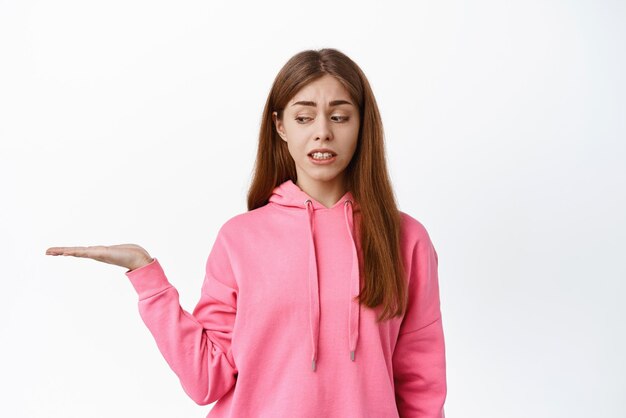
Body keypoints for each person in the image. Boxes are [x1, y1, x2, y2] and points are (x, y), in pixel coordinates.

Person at [46, 48, 447, 417]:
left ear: (362, 124)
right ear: (281, 126)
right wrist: (146, 275)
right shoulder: (240, 239)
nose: (322, 131)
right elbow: (207, 380)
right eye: (304, 117)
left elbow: (421, 387)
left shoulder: (405, 239)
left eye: (339, 116)